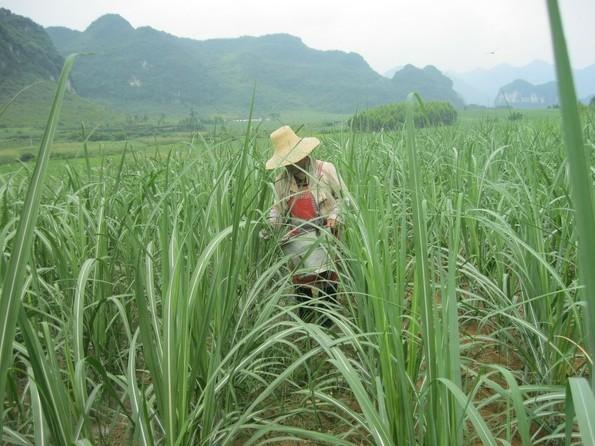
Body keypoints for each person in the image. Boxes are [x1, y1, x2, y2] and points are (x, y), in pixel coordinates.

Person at [264, 125, 345, 324]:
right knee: (302, 286)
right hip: (298, 241)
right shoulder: (281, 181)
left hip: (325, 237)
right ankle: (307, 329)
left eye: (293, 159)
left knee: (328, 282)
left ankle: (329, 325)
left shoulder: (325, 171)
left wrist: (335, 216)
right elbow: (277, 210)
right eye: (286, 162)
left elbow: (345, 201)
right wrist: (269, 226)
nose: (291, 165)